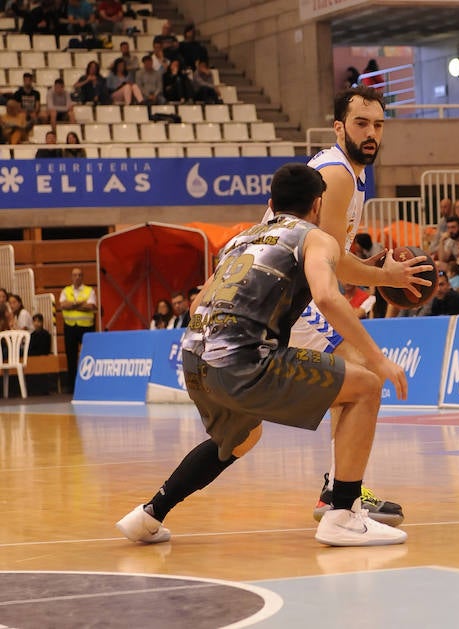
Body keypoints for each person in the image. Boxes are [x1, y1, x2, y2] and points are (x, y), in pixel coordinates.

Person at [115, 163, 409, 547]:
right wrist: (379, 358)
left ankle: (149, 514)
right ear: (318, 205)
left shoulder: (242, 240)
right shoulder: (315, 236)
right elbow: (325, 296)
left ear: (271, 204)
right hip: (243, 360)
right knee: (367, 386)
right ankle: (343, 514)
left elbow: (196, 306)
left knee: (241, 438)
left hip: (194, 361)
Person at [260, 87, 430, 526]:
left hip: (278, 293)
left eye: (378, 125)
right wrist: (386, 277)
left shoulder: (347, 173)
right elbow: (330, 264)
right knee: (364, 375)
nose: (371, 133)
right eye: (361, 124)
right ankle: (342, 497)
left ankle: (339, 491)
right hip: (281, 296)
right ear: (339, 127)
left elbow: (334, 256)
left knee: (353, 381)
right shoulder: (336, 174)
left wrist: (370, 268)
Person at [59, 267, 96, 392]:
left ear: (82, 277)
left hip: (86, 327)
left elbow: (90, 306)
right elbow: (63, 305)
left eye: (80, 275)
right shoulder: (66, 290)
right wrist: (80, 303)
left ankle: (89, 384)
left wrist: (72, 305)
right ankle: (71, 386)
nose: (77, 277)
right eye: (75, 275)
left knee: (88, 355)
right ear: (71, 277)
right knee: (71, 356)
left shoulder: (89, 290)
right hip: (70, 326)